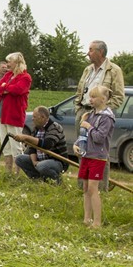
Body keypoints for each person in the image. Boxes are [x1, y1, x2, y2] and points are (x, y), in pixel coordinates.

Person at [73, 41, 124, 191]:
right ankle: (83, 187)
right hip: (84, 112)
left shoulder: (114, 70)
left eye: (91, 50)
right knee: (81, 148)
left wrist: (103, 110)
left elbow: (119, 96)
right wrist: (79, 109)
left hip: (100, 115)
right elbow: (79, 91)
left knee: (100, 152)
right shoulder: (88, 69)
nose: (87, 53)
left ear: (100, 52)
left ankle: (101, 188)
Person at [73, 86, 115, 228]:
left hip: (98, 156)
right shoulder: (90, 114)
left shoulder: (107, 118)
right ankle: (86, 219)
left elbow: (99, 137)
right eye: (90, 97)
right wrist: (76, 144)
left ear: (103, 99)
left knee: (93, 188)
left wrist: (89, 126)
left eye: (93, 97)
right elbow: (83, 135)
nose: (90, 100)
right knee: (85, 187)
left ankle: (97, 222)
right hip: (86, 154)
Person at [0, 52, 32, 174]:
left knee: (16, 145)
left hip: (14, 115)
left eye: (10, 61)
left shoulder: (25, 77)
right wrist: (6, 87)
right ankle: (8, 171)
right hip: (2, 114)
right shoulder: (9, 75)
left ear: (17, 63)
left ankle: (17, 172)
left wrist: (5, 87)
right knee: (5, 145)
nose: (7, 64)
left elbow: (18, 90)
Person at [12, 106, 68, 183]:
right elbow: (32, 148)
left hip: (57, 161)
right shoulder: (36, 129)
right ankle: (38, 180)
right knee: (19, 159)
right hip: (40, 160)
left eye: (34, 117)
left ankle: (57, 182)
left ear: (43, 117)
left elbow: (47, 144)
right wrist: (34, 161)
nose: (32, 119)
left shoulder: (55, 127)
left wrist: (26, 137)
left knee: (42, 166)